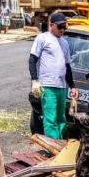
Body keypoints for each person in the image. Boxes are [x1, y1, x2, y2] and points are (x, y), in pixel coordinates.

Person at [29, 11, 77, 140]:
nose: (62, 30)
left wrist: (72, 86)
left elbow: (67, 66)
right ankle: (51, 148)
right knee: (50, 119)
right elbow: (32, 60)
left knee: (61, 119)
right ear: (51, 25)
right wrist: (35, 80)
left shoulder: (64, 43)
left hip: (61, 86)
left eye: (64, 27)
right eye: (60, 27)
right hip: (48, 86)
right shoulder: (42, 38)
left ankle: (60, 145)